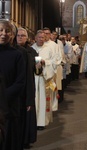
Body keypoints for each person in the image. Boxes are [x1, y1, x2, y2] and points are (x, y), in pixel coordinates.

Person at [0, 20, 25, 150]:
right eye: (0, 30)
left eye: (7, 31)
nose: (3, 34)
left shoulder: (17, 55)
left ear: (12, 35)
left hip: (10, 109)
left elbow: (20, 82)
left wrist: (2, 98)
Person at [17, 27, 38, 148]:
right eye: (18, 35)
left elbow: (38, 70)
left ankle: (26, 139)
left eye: (22, 36)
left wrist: (39, 66)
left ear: (27, 38)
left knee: (27, 114)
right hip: (17, 87)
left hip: (28, 85)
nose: (20, 37)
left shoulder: (32, 51)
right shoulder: (13, 50)